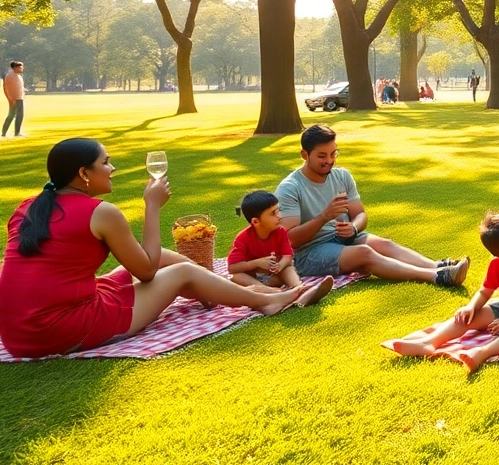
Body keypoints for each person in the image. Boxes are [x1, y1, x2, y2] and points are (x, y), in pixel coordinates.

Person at [0, 140, 331, 358]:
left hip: (18, 332)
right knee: (183, 269)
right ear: (84, 173)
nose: (112, 168)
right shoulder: (101, 213)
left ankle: (222, 291)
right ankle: (267, 302)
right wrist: (152, 207)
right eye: (107, 162)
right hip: (61, 327)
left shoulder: (29, 207)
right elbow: (146, 269)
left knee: (159, 265)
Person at [276, 124, 469, 286]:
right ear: (304, 154)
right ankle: (438, 277)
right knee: (364, 253)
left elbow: (361, 215)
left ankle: (437, 266)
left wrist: (353, 227)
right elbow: (290, 240)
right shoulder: (291, 188)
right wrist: (324, 217)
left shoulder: (342, 176)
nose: (329, 161)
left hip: (344, 240)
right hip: (309, 252)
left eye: (334, 154)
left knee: (385, 244)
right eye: (322, 156)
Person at [391, 212, 499, 372]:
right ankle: (429, 343)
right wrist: (470, 307)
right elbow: (485, 292)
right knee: (469, 316)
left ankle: (481, 354)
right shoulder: (496, 265)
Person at [227, 190, 303, 292]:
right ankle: (269, 291)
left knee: (288, 268)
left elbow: (288, 256)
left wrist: (280, 265)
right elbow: (232, 268)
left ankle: (297, 288)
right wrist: (257, 263)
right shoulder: (243, 238)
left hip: (274, 276)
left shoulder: (281, 232)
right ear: (255, 221)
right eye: (273, 213)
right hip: (253, 279)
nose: (279, 216)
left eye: (278, 210)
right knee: (236, 277)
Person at [3, 60, 25, 137]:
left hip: (19, 98)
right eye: (20, 67)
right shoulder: (10, 76)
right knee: (12, 115)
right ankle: (5, 132)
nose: (22, 69)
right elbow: (6, 88)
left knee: (19, 115)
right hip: (14, 99)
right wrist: (10, 99)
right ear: (15, 67)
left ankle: (17, 132)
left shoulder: (18, 76)